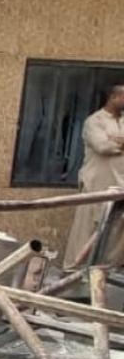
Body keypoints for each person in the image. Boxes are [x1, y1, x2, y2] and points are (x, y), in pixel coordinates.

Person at [64, 83, 124, 269]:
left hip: (120, 185)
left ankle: (105, 273)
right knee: (86, 230)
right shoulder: (95, 121)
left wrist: (115, 140)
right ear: (114, 97)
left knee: (115, 233)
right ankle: (73, 271)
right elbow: (102, 146)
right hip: (95, 184)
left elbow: (110, 143)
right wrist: (115, 143)